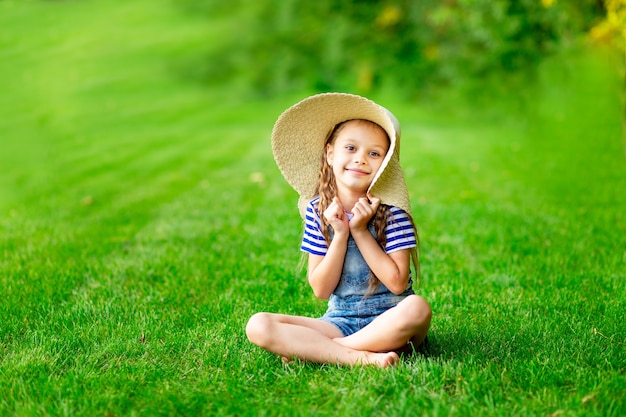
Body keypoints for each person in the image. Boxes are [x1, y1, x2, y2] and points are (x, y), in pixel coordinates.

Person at [246, 93, 432, 368]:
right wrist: (341, 234)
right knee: (258, 324)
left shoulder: (393, 213)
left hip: (391, 319)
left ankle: (322, 351)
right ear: (330, 153)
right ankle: (361, 358)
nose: (360, 159)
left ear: (385, 164)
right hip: (339, 321)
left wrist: (359, 231)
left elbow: (397, 282)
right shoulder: (318, 212)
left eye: (374, 153)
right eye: (351, 148)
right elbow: (321, 289)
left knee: (418, 308)